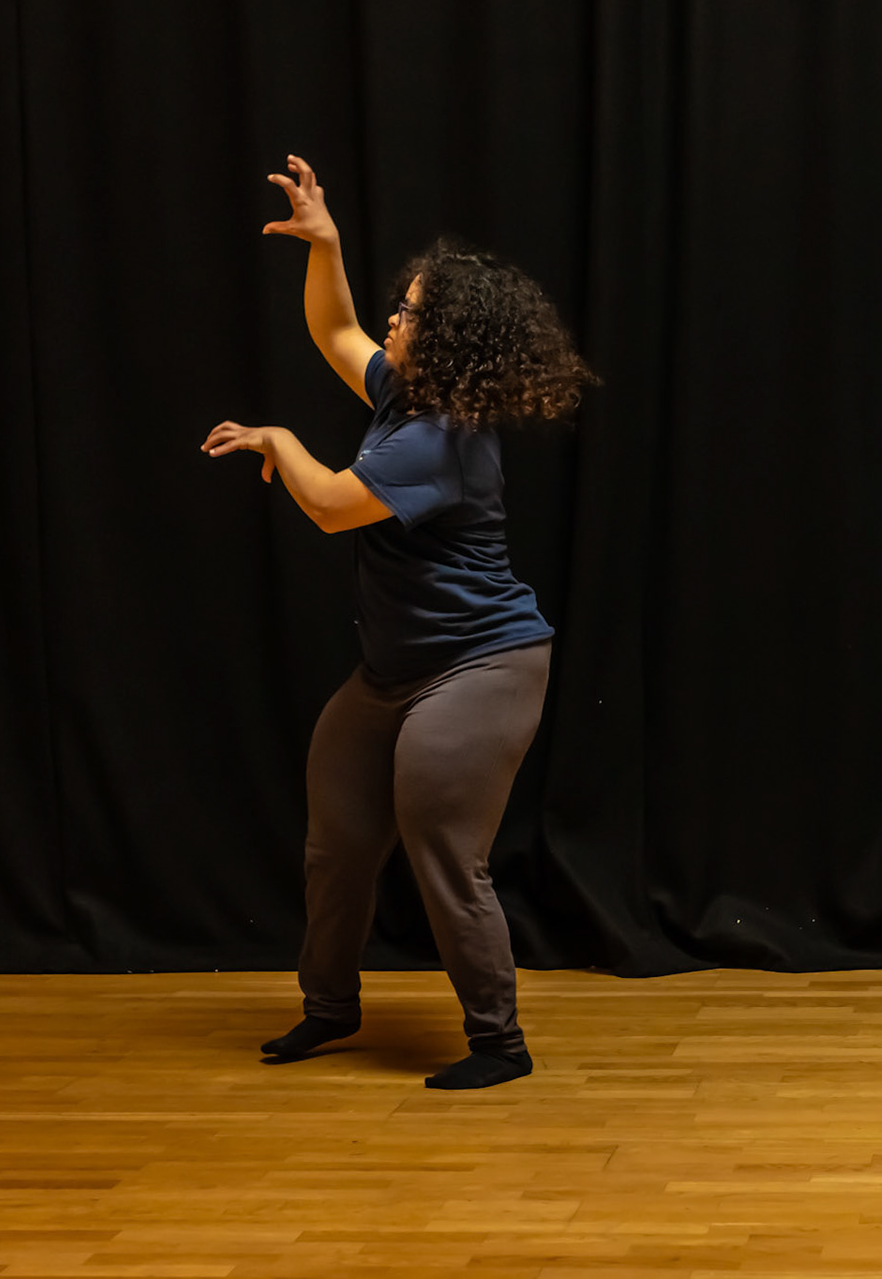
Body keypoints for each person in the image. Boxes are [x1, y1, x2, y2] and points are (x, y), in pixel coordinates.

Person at [201, 155, 595, 1089]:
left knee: (443, 850)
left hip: (482, 667)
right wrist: (325, 243)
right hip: (390, 673)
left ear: (447, 340)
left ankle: (499, 1043)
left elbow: (331, 505)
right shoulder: (406, 396)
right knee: (336, 843)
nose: (393, 321)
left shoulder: (439, 438)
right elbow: (334, 328)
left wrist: (279, 437)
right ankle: (329, 1008)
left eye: (410, 314)